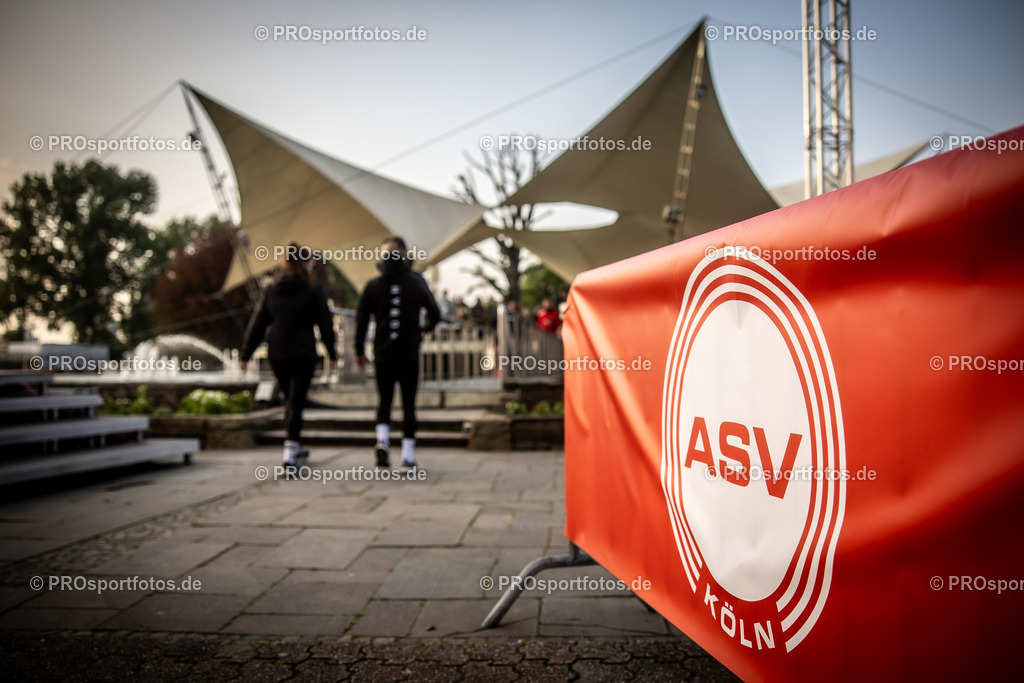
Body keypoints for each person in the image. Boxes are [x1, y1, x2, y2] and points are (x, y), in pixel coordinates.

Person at [240, 243, 337, 470]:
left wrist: (246, 354)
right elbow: (325, 323)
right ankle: (290, 452)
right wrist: (332, 353)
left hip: (278, 353)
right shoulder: (312, 288)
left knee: (288, 400)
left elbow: (258, 324)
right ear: (305, 262)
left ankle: (294, 445)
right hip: (303, 353)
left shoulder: (271, 288)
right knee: (296, 402)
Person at [355, 237, 440, 468]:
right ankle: (407, 455)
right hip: (408, 352)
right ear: (403, 255)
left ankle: (382, 440)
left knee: (385, 400)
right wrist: (423, 331)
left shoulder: (373, 285)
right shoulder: (416, 282)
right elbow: (435, 313)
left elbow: (361, 321)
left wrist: (359, 350)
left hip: (383, 352)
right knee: (408, 404)